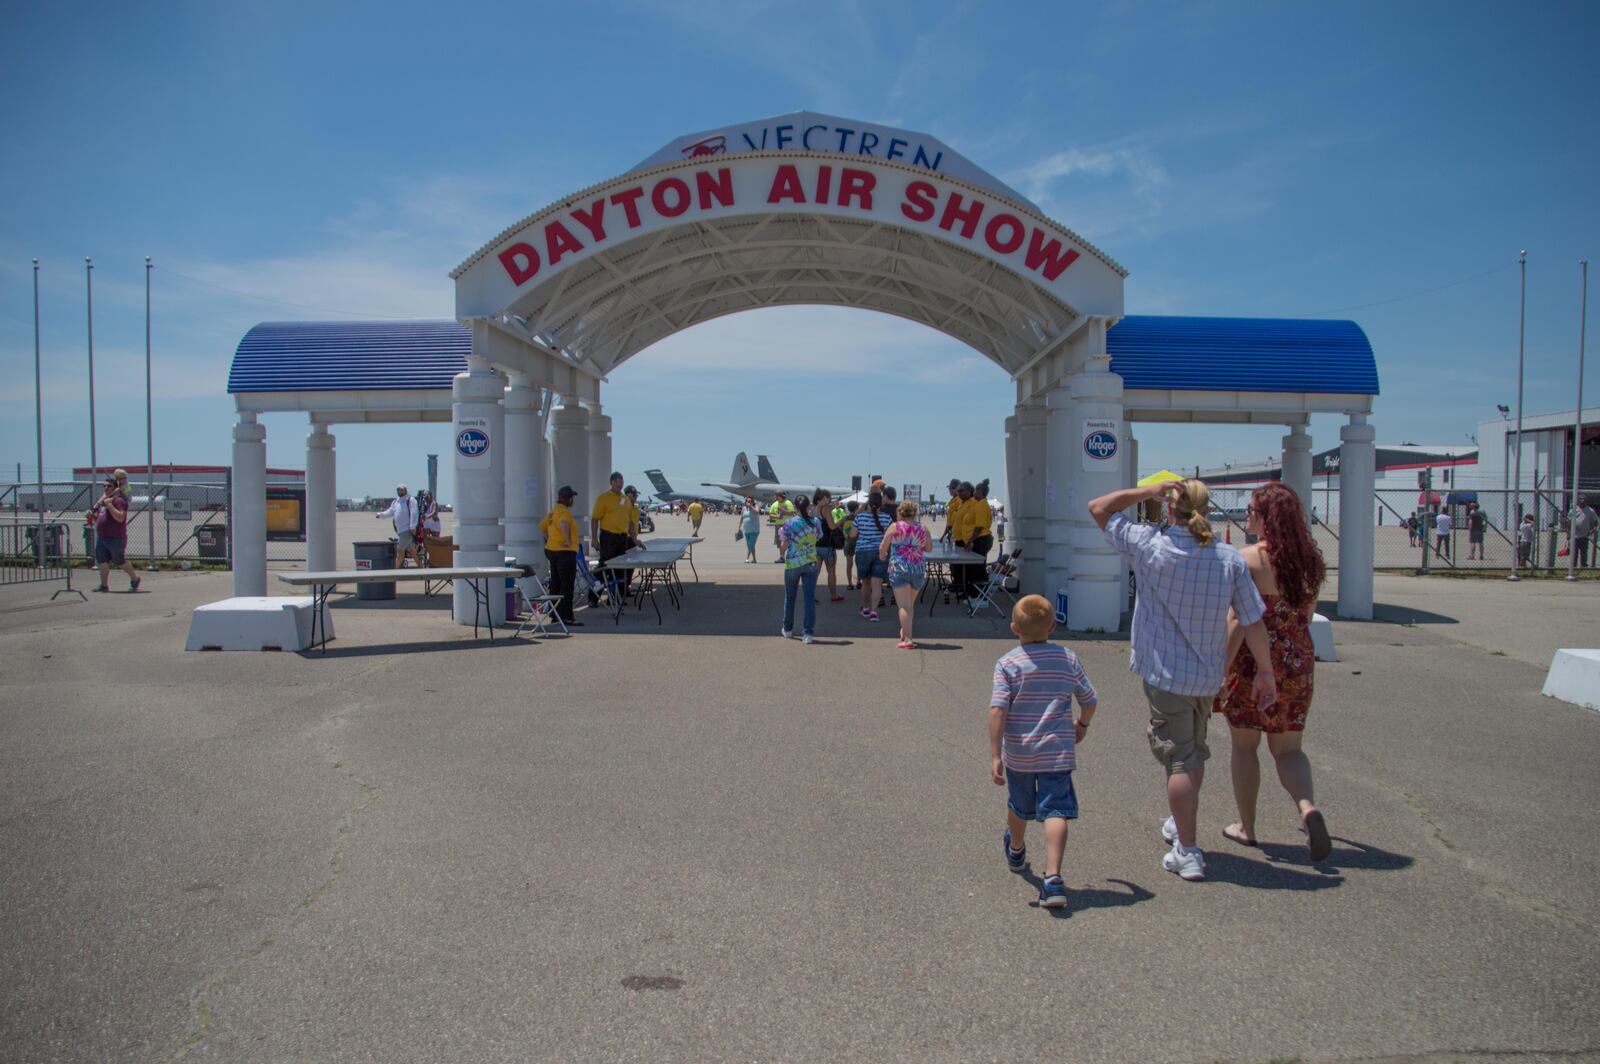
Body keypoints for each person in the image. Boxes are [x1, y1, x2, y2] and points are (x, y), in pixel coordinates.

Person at [1090, 478, 1277, 883]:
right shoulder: (1228, 559)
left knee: (1178, 758)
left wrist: (1144, 493)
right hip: (1207, 674)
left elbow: (1099, 508)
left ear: (1170, 508)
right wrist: (1265, 670)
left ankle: (1188, 851)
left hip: (1165, 672)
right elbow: (1252, 620)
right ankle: (1181, 821)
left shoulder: (1150, 546)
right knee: (1193, 752)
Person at [1215, 483, 1331, 862]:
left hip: (1253, 660)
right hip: (1297, 660)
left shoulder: (1247, 560)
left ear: (1267, 518)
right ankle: (1307, 807)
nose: (1247, 515)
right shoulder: (1310, 564)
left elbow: (1237, 620)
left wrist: (1223, 668)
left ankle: (1247, 827)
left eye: (1252, 510)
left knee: (1245, 746)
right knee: (1288, 749)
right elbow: (1307, 617)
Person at [989, 594, 1099, 909]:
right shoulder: (1067, 658)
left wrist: (996, 754)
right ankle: (1053, 879)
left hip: (1020, 752)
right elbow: (1090, 699)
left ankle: (1017, 848)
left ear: (1014, 628)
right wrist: (1082, 725)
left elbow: (997, 710)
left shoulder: (1008, 664)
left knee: (1019, 804)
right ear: (1053, 626)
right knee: (1056, 810)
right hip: (1057, 751)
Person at [880, 499, 932, 648]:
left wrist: (882, 554)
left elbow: (884, 545)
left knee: (904, 606)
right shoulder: (923, 528)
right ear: (914, 513)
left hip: (899, 568)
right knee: (910, 605)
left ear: (900, 513)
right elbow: (928, 548)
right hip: (917, 569)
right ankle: (905, 630)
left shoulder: (895, 527)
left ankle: (908, 639)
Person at [778, 494, 822, 644]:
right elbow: (818, 537)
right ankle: (808, 634)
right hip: (810, 563)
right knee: (809, 598)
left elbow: (783, 546)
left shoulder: (789, 523)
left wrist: (786, 549)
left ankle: (788, 629)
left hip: (793, 564)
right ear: (808, 506)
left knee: (790, 598)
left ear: (796, 507)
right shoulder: (815, 522)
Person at [539, 486, 584, 626]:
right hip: (565, 552)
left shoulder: (552, 512)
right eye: (572, 498)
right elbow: (563, 524)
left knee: (555, 583)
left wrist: (550, 539)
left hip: (552, 550)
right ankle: (568, 616)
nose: (573, 501)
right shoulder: (564, 512)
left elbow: (542, 526)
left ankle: (555, 614)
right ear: (569, 498)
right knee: (567, 585)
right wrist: (567, 540)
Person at [89, 474, 139, 592]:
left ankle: (135, 579)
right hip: (102, 537)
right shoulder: (103, 502)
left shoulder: (119, 501)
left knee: (120, 562)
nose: (106, 488)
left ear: (115, 487)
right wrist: (92, 516)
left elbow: (120, 517)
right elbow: (99, 519)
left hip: (116, 537)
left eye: (108, 486)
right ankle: (104, 585)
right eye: (104, 486)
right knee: (102, 560)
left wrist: (110, 505)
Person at [591, 472, 635, 592]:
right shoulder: (603, 498)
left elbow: (630, 522)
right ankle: (594, 595)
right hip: (609, 537)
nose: (619, 483)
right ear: (611, 482)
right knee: (605, 567)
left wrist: (635, 539)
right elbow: (595, 519)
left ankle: (619, 596)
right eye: (617, 481)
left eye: (621, 481)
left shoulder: (625, 500)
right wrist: (594, 538)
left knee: (621, 568)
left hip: (622, 538)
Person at [853, 490, 891, 621]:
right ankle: (874, 612)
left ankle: (865, 608)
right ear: (881, 505)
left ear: (868, 503)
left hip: (863, 552)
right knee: (877, 583)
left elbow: (852, 534)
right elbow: (889, 537)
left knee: (866, 582)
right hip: (880, 552)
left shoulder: (860, 517)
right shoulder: (887, 518)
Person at [375, 483, 421, 566]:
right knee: (412, 551)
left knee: (400, 550)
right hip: (400, 530)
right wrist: (380, 514)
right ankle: (422, 569)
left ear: (405, 490)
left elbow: (414, 513)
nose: (400, 491)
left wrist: (412, 526)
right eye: (398, 490)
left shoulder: (410, 500)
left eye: (401, 489)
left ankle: (395, 573)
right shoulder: (396, 502)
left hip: (407, 530)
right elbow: (390, 512)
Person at [814, 489, 843, 602]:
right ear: (824, 497)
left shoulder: (814, 508)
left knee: (815, 572)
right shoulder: (825, 509)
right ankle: (834, 595)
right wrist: (841, 520)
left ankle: (811, 595)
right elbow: (832, 526)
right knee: (831, 571)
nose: (829, 500)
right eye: (829, 498)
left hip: (816, 544)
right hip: (827, 545)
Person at [1570, 495, 1598, 568]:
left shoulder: (1590, 510)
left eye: (1584, 499)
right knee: (1574, 553)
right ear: (1578, 500)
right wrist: (1568, 533)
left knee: (1584, 553)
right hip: (1574, 535)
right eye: (1581, 499)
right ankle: (1573, 567)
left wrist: (1592, 530)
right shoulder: (1573, 509)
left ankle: (1583, 566)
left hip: (1584, 536)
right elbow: (1568, 521)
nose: (1583, 501)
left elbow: (1596, 521)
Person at [768, 491, 794, 562]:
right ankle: (782, 557)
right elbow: (770, 515)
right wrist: (777, 516)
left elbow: (792, 513)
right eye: (775, 496)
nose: (775, 497)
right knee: (780, 541)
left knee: (788, 541)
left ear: (781, 496)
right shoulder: (774, 504)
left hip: (787, 525)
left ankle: (790, 556)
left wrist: (783, 511)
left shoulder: (788, 503)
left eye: (777, 496)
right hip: (778, 525)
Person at [843, 500, 860, 588]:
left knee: (849, 564)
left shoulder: (845, 518)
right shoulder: (858, 518)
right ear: (856, 508)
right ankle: (859, 582)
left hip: (848, 542)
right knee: (859, 564)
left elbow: (840, 527)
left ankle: (849, 583)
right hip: (857, 542)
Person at [941, 477, 963, 545]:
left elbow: (957, 520)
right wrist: (944, 535)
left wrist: (948, 534)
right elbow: (949, 522)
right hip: (951, 531)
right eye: (949, 488)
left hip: (958, 534)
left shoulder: (959, 500)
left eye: (953, 488)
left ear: (959, 488)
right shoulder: (952, 501)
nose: (950, 490)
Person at [739, 497, 762, 562]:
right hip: (746, 530)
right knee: (751, 545)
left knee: (750, 544)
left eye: (750, 501)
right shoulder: (744, 508)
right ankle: (754, 559)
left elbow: (757, 512)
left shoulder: (756, 506)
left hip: (754, 530)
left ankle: (747, 558)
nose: (748, 502)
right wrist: (739, 527)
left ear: (752, 501)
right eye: (747, 501)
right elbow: (742, 517)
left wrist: (751, 506)